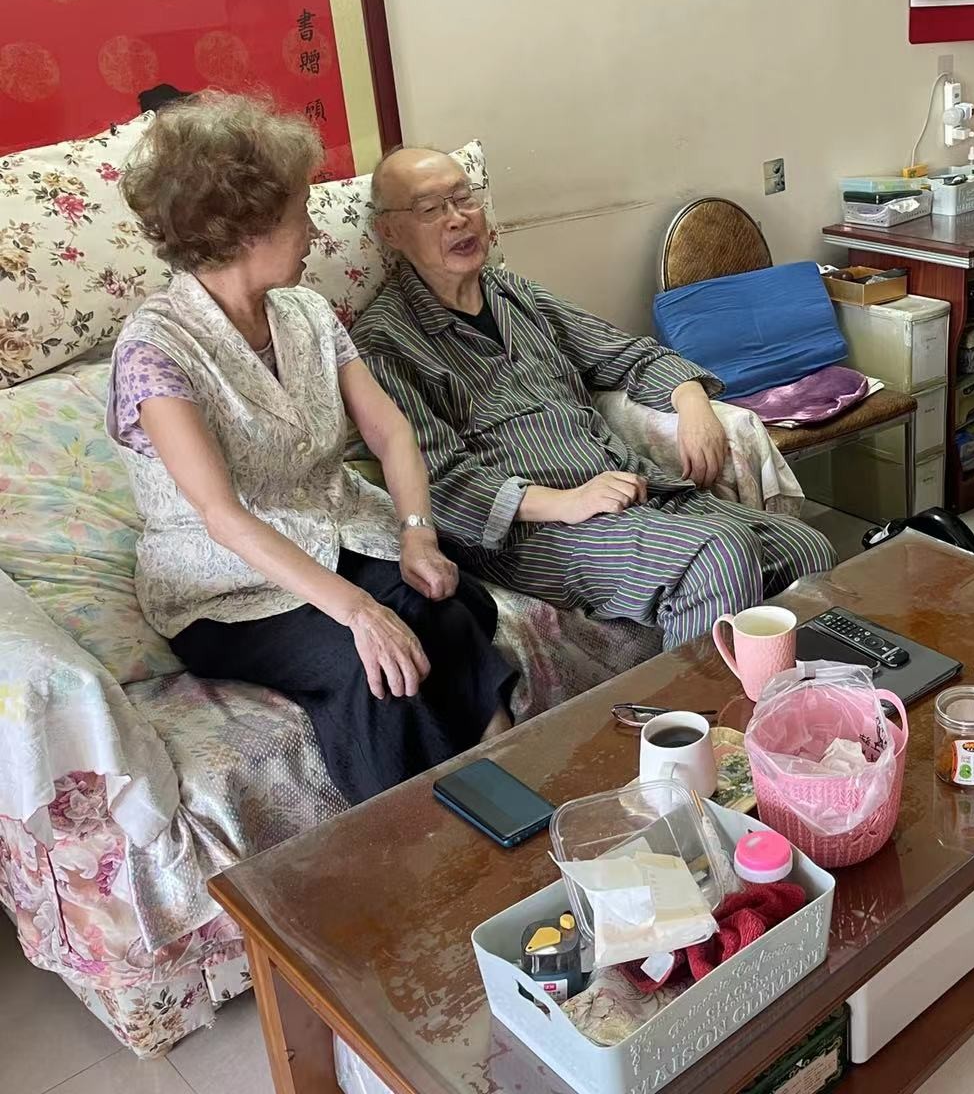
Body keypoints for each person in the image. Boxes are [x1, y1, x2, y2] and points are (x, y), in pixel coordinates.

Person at [107, 93, 517, 807]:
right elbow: (222, 516)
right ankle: (420, 840)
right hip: (225, 586)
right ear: (245, 227)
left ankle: (507, 785)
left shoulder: (307, 314)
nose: (314, 230)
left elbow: (390, 432)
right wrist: (358, 610)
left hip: (335, 535)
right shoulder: (155, 349)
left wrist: (417, 535)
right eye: (301, 210)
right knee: (373, 667)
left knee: (451, 607)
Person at [351, 148, 838, 649]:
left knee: (805, 548)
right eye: (431, 209)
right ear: (390, 232)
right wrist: (567, 502)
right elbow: (440, 482)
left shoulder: (514, 294)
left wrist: (693, 403)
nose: (458, 218)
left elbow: (628, 354)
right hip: (533, 530)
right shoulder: (382, 342)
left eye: (463, 198)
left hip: (630, 491)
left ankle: (798, 694)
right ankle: (691, 701)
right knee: (715, 555)